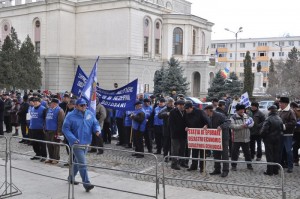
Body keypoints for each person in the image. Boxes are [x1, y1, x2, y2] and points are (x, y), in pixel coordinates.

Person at [62, 98, 101, 192]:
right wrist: (72, 139)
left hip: (86, 141)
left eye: (85, 105)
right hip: (76, 143)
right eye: (82, 105)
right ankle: (86, 183)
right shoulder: (70, 116)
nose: (84, 107)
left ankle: (71, 178)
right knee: (82, 163)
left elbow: (95, 123)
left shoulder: (89, 113)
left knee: (77, 162)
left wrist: (97, 130)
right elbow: (65, 129)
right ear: (76, 106)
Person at [204, 105, 230, 177]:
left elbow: (228, 122)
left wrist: (221, 126)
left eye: (206, 111)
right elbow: (210, 125)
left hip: (223, 138)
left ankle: (225, 170)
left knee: (224, 155)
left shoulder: (220, 115)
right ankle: (217, 169)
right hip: (215, 139)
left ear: (209, 110)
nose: (205, 112)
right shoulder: (209, 117)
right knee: (216, 154)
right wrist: (206, 126)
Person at [185, 101, 209, 172]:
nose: (186, 110)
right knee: (194, 151)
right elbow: (186, 122)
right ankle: (194, 165)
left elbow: (207, 121)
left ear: (191, 108)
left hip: (202, 134)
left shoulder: (200, 112)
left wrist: (206, 125)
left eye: (187, 109)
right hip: (193, 135)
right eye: (186, 109)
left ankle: (202, 167)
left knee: (202, 152)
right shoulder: (187, 113)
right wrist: (186, 127)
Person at [230, 104, 254, 171]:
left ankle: (249, 165)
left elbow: (252, 123)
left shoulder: (247, 116)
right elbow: (232, 126)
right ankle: (233, 166)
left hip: (246, 138)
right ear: (237, 110)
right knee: (234, 153)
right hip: (236, 139)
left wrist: (248, 125)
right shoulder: (233, 117)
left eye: (243, 109)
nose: (242, 111)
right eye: (240, 109)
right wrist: (242, 126)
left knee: (247, 153)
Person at [260, 105, 283, 175]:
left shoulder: (268, 119)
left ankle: (269, 171)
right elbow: (282, 129)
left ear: (270, 110)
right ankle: (275, 170)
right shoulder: (279, 118)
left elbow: (264, 130)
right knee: (276, 155)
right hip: (278, 139)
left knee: (269, 155)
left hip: (269, 139)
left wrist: (262, 136)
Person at [278, 97, 296, 173]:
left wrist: (284, 126)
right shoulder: (279, 111)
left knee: (289, 151)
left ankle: (290, 166)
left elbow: (293, 122)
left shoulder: (290, 112)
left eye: (280, 103)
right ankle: (281, 165)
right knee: (280, 151)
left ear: (285, 104)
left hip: (288, 134)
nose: (279, 104)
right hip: (280, 134)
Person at [44, 98, 65, 164]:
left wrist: (59, 132)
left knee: (55, 145)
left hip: (55, 131)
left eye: (52, 103)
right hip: (48, 130)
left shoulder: (59, 110)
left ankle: (56, 158)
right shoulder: (49, 110)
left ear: (55, 103)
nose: (50, 104)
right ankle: (50, 157)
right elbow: (46, 119)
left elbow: (60, 122)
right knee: (49, 145)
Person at [169, 100, 187, 170]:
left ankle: (182, 162)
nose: (181, 106)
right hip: (175, 134)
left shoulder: (185, 111)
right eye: (180, 105)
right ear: (177, 105)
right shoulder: (173, 112)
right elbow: (171, 124)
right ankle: (174, 164)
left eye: (182, 105)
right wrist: (175, 131)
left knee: (183, 149)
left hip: (183, 134)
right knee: (175, 150)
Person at [29, 97, 47, 161]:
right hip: (33, 128)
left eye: (36, 101)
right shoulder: (32, 108)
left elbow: (46, 119)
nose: (35, 103)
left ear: (40, 102)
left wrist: (45, 128)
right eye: (34, 102)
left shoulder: (43, 109)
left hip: (40, 129)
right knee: (34, 143)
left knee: (42, 143)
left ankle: (44, 156)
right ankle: (37, 154)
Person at [290, 102, 300, 166]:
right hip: (296, 132)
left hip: (296, 131)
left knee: (295, 146)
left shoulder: (294, 111)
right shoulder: (294, 111)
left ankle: (295, 160)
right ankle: (295, 160)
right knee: (295, 146)